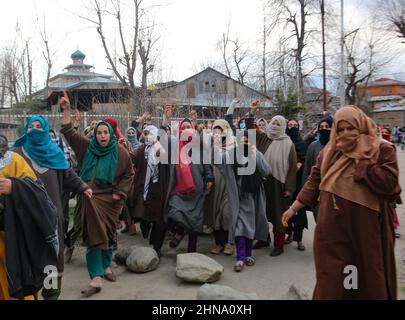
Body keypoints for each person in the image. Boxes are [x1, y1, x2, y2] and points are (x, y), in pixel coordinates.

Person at [282, 105, 400, 299]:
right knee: (333, 277)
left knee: (363, 275)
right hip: (332, 230)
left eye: (351, 128)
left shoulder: (381, 149)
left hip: (364, 230)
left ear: (361, 126)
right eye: (341, 129)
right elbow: (314, 181)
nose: (345, 134)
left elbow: (391, 185)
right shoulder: (330, 151)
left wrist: (363, 166)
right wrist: (294, 208)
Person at [60, 92, 134, 297]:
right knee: (93, 235)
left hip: (111, 200)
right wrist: (66, 110)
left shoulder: (121, 153)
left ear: (111, 134)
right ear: (95, 134)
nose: (102, 136)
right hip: (89, 197)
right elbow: (68, 132)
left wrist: (120, 194)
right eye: (99, 132)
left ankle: (106, 266)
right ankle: (96, 277)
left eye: (105, 133)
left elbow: (129, 174)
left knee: (109, 234)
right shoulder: (87, 147)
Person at [13, 116, 91, 300]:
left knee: (51, 260)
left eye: (39, 126)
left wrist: (83, 187)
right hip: (26, 217)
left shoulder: (54, 153)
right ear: (25, 130)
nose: (34, 129)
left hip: (51, 216)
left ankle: (51, 295)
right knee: (28, 257)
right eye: (30, 126)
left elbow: (69, 175)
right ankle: (31, 294)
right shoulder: (17, 154)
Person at [216, 130, 271, 272]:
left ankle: (248, 255)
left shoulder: (256, 154)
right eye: (242, 141)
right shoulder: (231, 154)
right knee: (240, 228)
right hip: (238, 198)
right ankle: (240, 258)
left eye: (247, 141)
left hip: (252, 199)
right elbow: (218, 161)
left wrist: (255, 154)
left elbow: (266, 171)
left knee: (250, 228)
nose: (244, 143)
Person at [249, 112, 297, 257]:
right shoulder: (264, 138)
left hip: (278, 183)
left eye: (278, 124)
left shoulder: (288, 143)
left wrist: (289, 188)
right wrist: (251, 113)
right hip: (263, 181)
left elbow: (292, 167)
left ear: (283, 127)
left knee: (278, 214)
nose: (275, 126)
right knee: (261, 212)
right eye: (273, 123)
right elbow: (250, 131)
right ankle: (264, 239)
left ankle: (279, 245)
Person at [165, 118, 214, 253]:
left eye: (188, 126)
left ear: (193, 128)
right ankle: (180, 232)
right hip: (179, 189)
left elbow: (207, 165)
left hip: (197, 189)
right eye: (183, 127)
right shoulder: (175, 146)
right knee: (175, 210)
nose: (186, 129)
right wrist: (166, 120)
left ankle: (191, 251)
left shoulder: (200, 146)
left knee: (195, 219)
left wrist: (209, 178)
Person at [130, 125, 170, 257]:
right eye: (145, 133)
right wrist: (125, 148)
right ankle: (145, 229)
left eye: (149, 133)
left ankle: (156, 246)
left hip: (159, 190)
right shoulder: (142, 149)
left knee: (159, 220)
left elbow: (167, 161)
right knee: (142, 213)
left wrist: (161, 155)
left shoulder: (161, 148)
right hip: (143, 189)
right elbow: (132, 158)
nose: (147, 136)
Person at [203, 119, 235, 256]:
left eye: (220, 129)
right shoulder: (210, 146)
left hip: (229, 184)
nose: (218, 132)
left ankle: (229, 243)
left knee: (226, 214)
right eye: (215, 129)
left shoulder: (233, 144)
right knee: (215, 214)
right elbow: (207, 164)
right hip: (215, 184)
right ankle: (218, 243)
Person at [302, 116, 333, 222]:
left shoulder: (338, 146)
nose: (324, 129)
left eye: (327, 126)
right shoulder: (313, 146)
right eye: (321, 126)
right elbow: (307, 169)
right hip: (317, 193)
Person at [285, 119, 308, 251]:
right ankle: (289, 233)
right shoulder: (284, 143)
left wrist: (300, 164)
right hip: (287, 182)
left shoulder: (302, 144)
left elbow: (307, 159)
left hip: (299, 183)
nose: (292, 127)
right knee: (286, 209)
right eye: (290, 125)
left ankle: (299, 239)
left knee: (299, 211)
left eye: (295, 125)